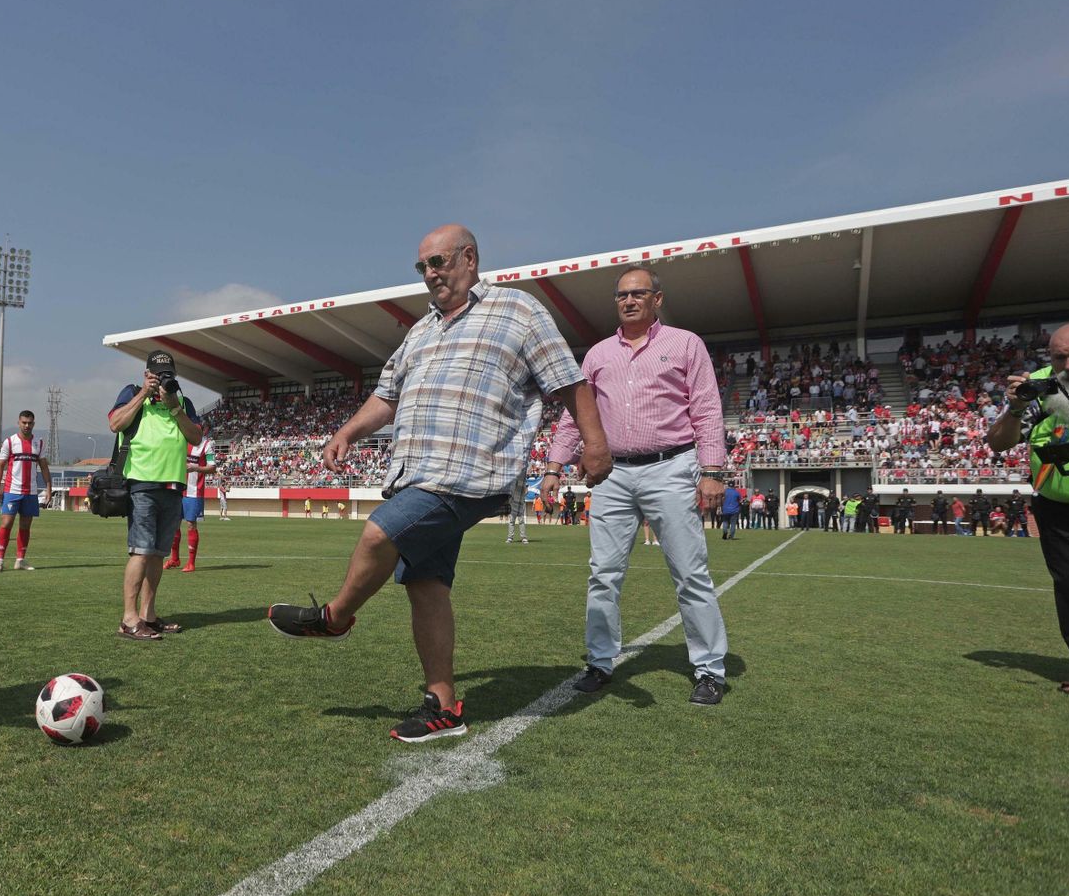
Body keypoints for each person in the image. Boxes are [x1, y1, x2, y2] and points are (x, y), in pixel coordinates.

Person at [270, 224, 610, 742]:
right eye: (422, 267)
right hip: (416, 472)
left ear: (469, 258)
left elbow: (569, 380)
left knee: (379, 534)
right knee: (426, 585)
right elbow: (386, 396)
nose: (429, 275)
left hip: (472, 473)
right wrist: (347, 431)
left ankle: (334, 618)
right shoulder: (422, 330)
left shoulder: (517, 310)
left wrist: (594, 443)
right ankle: (443, 706)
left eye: (438, 263)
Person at [548, 266, 734, 706]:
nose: (629, 300)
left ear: (657, 299)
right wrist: (554, 464)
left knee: (690, 573)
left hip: (671, 467)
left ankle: (710, 669)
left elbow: (706, 408)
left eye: (638, 294)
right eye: (621, 295)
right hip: (612, 474)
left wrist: (712, 471)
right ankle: (600, 661)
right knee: (603, 574)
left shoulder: (685, 344)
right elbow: (576, 414)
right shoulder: (596, 355)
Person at [987, 323, 1069, 693]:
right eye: (1059, 356)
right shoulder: (1040, 386)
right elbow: (998, 444)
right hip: (1058, 507)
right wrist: (1015, 407)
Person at [109, 350, 203, 639]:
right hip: (141, 484)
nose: (163, 379)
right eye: (157, 374)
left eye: (168, 374)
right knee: (141, 550)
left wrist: (174, 407)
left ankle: (148, 616)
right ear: (146, 374)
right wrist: (143, 396)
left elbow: (196, 437)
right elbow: (115, 424)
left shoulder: (182, 400)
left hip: (173, 486)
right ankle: (129, 618)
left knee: (158, 554)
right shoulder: (132, 393)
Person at [0, 410, 52, 572]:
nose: (27, 426)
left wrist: (48, 488)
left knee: (25, 526)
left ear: (33, 423)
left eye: (30, 423)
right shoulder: (10, 442)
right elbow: (0, 465)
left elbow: (44, 467)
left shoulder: (39, 443)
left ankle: (20, 560)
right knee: (7, 523)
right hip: (12, 490)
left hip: (31, 492)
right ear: (18, 422)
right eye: (24, 422)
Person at [166, 430, 216, 572]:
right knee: (173, 524)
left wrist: (196, 467)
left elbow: (212, 468)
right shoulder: (180, 439)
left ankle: (191, 562)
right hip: (176, 487)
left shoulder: (207, 444)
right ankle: (174, 559)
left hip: (194, 491)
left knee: (190, 524)